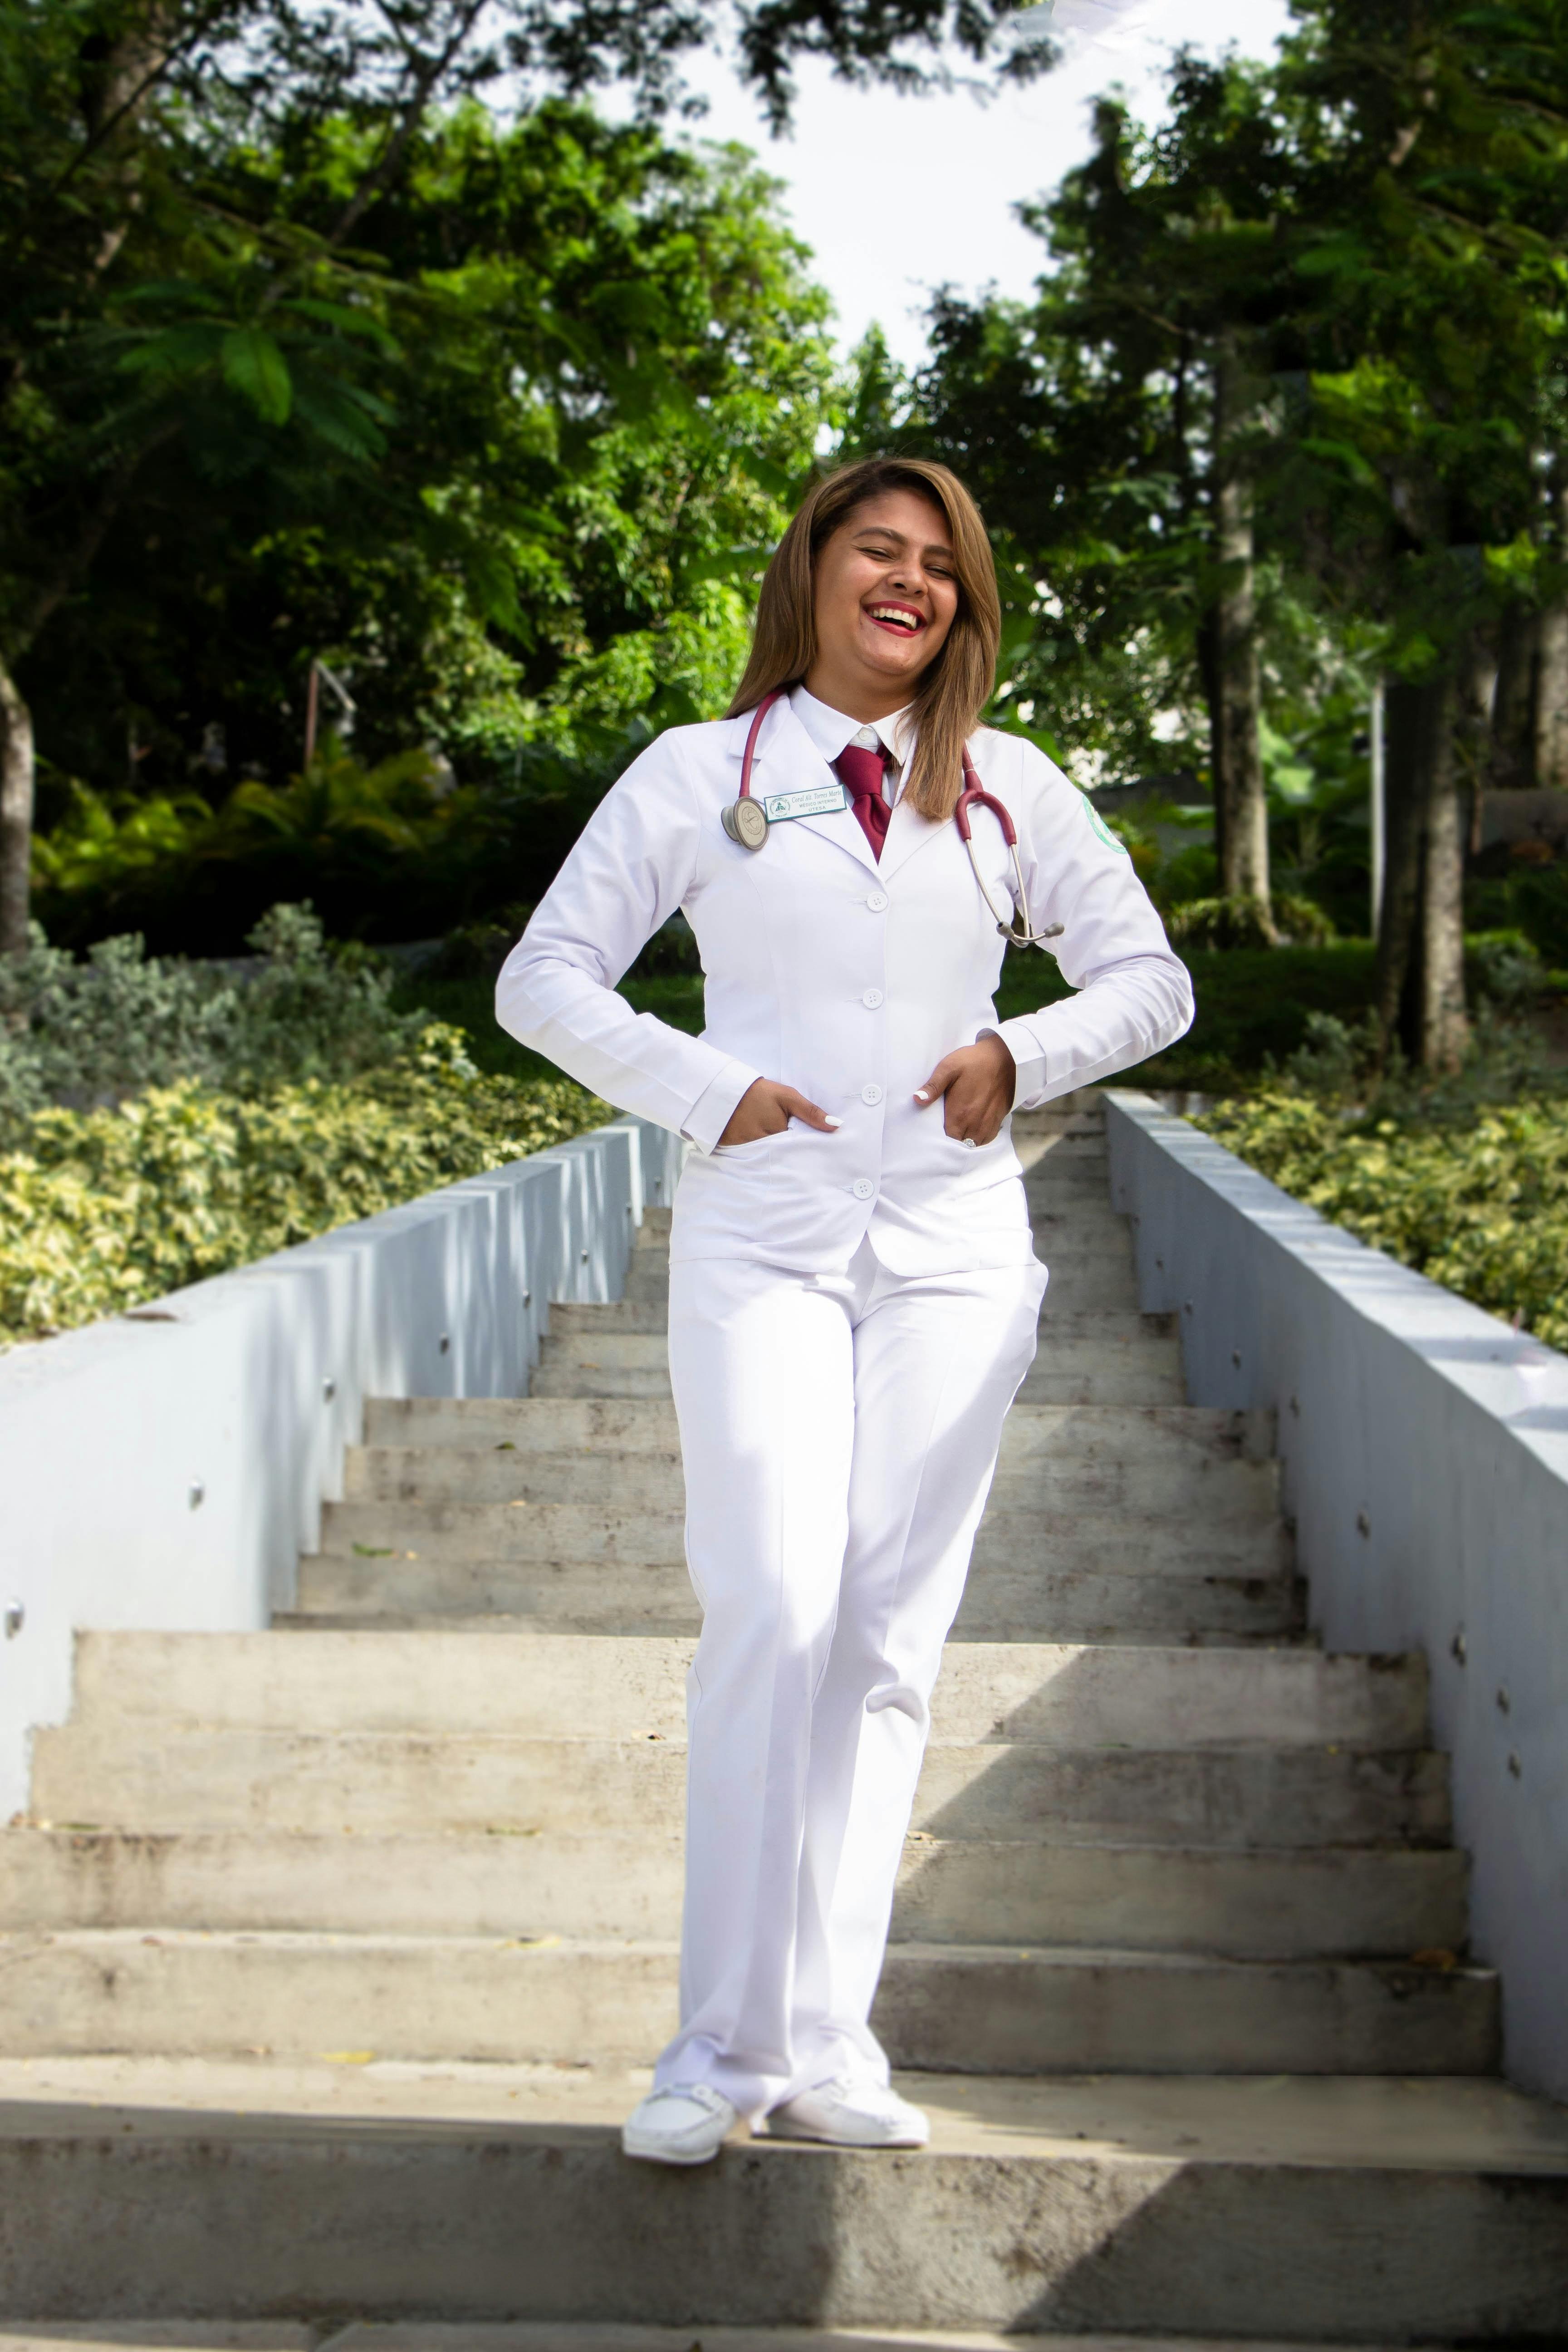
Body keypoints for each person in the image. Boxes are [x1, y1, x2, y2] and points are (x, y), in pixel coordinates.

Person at [495, 456, 1193, 2166]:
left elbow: (1153, 981)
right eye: (878, 549)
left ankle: (825, 2044)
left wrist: (1023, 1050)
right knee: (774, 1604)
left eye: (940, 564)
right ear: (810, 570)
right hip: (769, 1239)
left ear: (966, 603)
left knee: (884, 1639)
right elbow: (543, 979)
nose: (910, 581)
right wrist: (704, 1087)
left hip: (953, 1248)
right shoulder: (700, 771)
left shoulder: (1012, 786)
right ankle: (715, 2051)